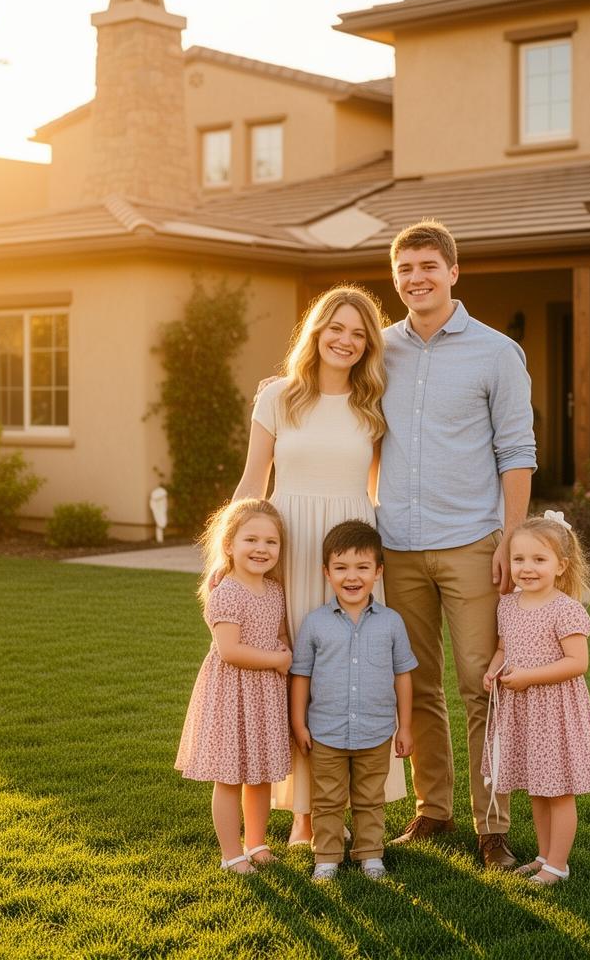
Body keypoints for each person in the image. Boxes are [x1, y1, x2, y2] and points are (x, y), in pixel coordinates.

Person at [380, 218, 536, 869]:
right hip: (395, 544)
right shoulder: (378, 350)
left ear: (452, 272)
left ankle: (492, 825)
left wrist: (511, 537)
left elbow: (517, 452)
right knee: (415, 683)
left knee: (482, 684)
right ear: (395, 278)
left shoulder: (497, 352)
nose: (417, 279)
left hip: (473, 540)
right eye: (405, 269)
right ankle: (433, 809)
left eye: (428, 266)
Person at [227, 285, 408, 846]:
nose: (346, 341)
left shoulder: (373, 405)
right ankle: (304, 815)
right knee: (298, 671)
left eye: (359, 333)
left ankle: (349, 807)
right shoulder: (277, 397)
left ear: (369, 344)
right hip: (290, 542)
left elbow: (377, 487)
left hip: (350, 547)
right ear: (317, 331)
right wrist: (227, 556)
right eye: (337, 328)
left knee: (349, 670)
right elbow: (253, 480)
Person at [481, 512, 590, 885]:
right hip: (523, 711)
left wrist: (528, 678)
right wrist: (493, 670)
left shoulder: (565, 609)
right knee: (538, 788)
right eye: (519, 559)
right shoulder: (507, 605)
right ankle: (544, 855)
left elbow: (577, 663)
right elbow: (504, 648)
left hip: (555, 713)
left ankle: (558, 865)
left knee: (559, 791)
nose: (527, 568)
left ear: (561, 566)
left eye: (539, 559)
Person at [290, 520, 417, 881]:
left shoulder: (392, 623)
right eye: (341, 567)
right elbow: (301, 675)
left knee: (369, 798)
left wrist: (405, 726)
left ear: (378, 571)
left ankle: (370, 855)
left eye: (362, 567)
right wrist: (298, 723)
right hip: (325, 732)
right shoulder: (315, 623)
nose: (351, 576)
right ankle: (327, 857)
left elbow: (403, 675)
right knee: (327, 799)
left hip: (376, 731)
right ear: (326, 572)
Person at [175, 498, 293, 875]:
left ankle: (256, 843)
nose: (261, 549)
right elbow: (230, 651)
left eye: (271, 542)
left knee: (259, 773)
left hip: (263, 695)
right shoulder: (227, 592)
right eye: (251, 540)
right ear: (229, 544)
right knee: (229, 776)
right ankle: (231, 854)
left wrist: (283, 651)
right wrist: (277, 660)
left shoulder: (274, 590)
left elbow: (277, 633)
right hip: (231, 693)